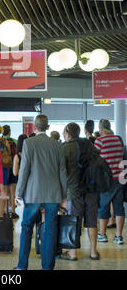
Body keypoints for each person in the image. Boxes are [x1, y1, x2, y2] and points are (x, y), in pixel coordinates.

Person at [15, 114, 67, 271]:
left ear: (34, 127)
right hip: (53, 192)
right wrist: (64, 196)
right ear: (48, 127)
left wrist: (18, 193)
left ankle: (22, 266)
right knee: (50, 228)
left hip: (33, 193)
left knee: (26, 227)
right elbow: (62, 171)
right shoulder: (57, 144)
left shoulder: (28, 143)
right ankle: (47, 267)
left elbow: (24, 170)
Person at [60, 122, 100, 261]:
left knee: (74, 221)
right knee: (92, 221)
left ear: (67, 133)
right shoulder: (89, 145)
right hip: (91, 189)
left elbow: (62, 172)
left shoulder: (64, 148)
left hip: (74, 190)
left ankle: (73, 254)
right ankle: (94, 252)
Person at [95, 119, 125, 245]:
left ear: (101, 129)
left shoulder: (99, 141)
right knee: (119, 207)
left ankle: (102, 234)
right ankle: (118, 236)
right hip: (119, 178)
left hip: (106, 179)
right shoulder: (118, 140)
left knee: (103, 207)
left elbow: (94, 159)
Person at [2, 125, 19, 219]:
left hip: (4, 168)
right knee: (13, 191)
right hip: (14, 168)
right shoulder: (15, 141)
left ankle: (4, 210)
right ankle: (13, 211)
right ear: (10, 132)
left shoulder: (0, 142)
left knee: (4, 191)